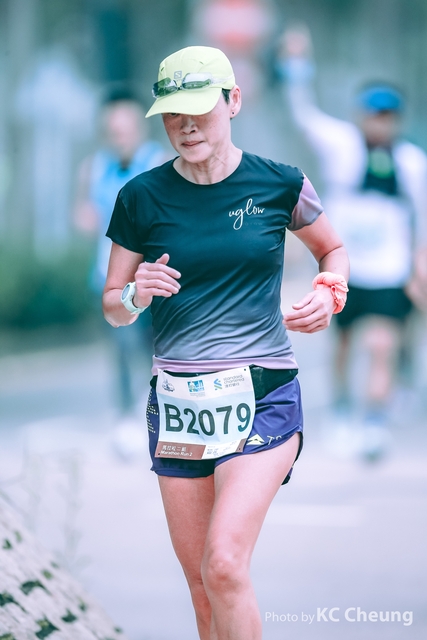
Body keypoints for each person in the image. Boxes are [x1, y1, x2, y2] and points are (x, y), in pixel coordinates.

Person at [102, 46, 349, 640]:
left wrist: (329, 290)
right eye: (173, 113)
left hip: (263, 394)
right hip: (179, 404)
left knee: (225, 565)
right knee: (201, 587)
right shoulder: (140, 196)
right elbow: (113, 306)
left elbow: (333, 250)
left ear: (233, 101)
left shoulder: (280, 183)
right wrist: (135, 294)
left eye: (199, 109)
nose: (186, 126)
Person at [277, 26, 427, 460]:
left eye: (388, 116)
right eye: (374, 114)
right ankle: (342, 407)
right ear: (361, 115)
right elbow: (303, 114)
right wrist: (295, 64)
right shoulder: (340, 145)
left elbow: (422, 220)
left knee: (382, 346)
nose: (380, 122)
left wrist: (419, 264)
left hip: (388, 272)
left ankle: (374, 422)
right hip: (345, 272)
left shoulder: (412, 163)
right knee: (343, 347)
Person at [74, 87, 165, 455]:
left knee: (156, 349)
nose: (120, 138)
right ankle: (128, 418)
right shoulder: (93, 168)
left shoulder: (160, 163)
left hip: (152, 278)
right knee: (123, 348)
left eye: (125, 130)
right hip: (110, 276)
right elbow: (83, 212)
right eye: (113, 132)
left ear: (140, 128)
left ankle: (159, 412)